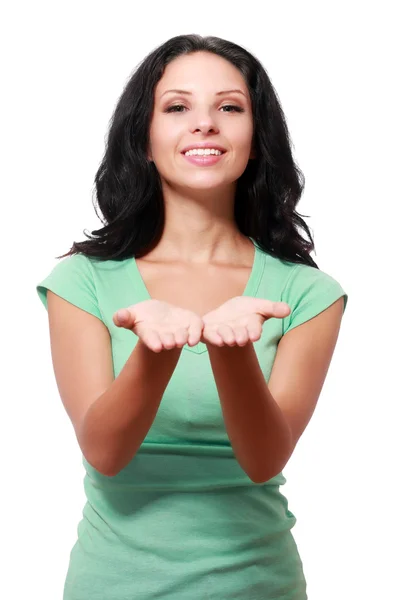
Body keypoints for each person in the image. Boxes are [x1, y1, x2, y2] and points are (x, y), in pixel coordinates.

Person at [36, 34, 348, 600]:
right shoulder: (82, 281)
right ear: (145, 139)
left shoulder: (306, 293)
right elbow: (104, 452)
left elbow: (263, 459)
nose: (205, 124)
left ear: (255, 141)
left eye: (229, 107)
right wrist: (154, 355)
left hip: (260, 585)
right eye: (177, 107)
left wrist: (233, 355)